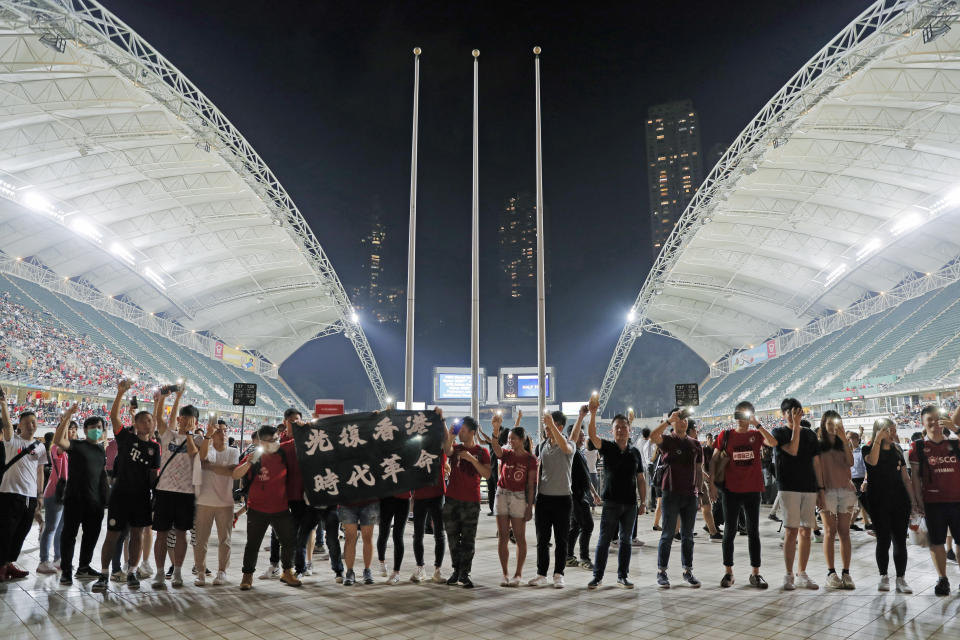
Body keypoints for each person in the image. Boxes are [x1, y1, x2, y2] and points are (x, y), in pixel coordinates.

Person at [709, 400, 776, 589]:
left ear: (750, 416)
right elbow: (714, 459)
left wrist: (757, 424)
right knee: (729, 532)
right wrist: (712, 484)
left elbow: (773, 442)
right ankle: (728, 573)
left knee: (753, 532)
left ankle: (755, 573)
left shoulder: (756, 434)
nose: (739, 418)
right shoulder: (726, 435)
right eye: (737, 414)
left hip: (752, 490)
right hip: (731, 490)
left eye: (744, 415)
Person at [586, 394, 645, 589]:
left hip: (630, 504)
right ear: (612, 431)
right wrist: (593, 414)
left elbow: (641, 478)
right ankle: (597, 576)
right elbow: (593, 437)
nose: (620, 430)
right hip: (611, 502)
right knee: (604, 540)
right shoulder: (608, 447)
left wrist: (643, 501)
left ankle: (623, 576)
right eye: (617, 427)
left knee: (626, 541)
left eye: (624, 427)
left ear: (629, 430)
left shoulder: (635, 452)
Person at [232, 425, 301, 589]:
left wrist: (307, 425)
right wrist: (248, 463)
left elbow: (299, 439)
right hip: (257, 509)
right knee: (253, 545)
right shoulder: (253, 456)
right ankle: (247, 576)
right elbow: (235, 474)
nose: (275, 442)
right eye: (270, 440)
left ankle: (287, 572)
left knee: (289, 542)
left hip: (281, 508)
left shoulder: (283, 451)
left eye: (276, 438)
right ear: (260, 442)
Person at [48, 407, 107, 590]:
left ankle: (83, 567)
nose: (95, 429)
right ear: (85, 429)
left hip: (95, 502)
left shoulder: (101, 450)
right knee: (69, 536)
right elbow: (58, 440)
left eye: (98, 426)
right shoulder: (77, 445)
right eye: (91, 426)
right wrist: (67, 417)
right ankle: (66, 571)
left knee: (91, 536)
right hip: (75, 499)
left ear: (103, 430)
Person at [151, 384, 199, 589]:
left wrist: (189, 434)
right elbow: (159, 419)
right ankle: (160, 573)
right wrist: (163, 398)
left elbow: (195, 454)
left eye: (192, 419)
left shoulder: (197, 439)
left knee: (182, 533)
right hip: (164, 491)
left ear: (196, 422)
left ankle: (177, 571)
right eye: (184, 418)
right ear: (178, 419)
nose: (187, 422)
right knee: (161, 533)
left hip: (186, 493)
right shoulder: (168, 435)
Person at [771, 398, 822, 591]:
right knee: (791, 530)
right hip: (788, 486)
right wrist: (796, 427)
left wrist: (821, 488)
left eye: (799, 412)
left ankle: (802, 573)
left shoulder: (810, 435)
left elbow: (817, 462)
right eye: (792, 413)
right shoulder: (779, 432)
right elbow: (792, 450)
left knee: (806, 531)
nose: (795, 416)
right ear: (784, 414)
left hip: (809, 486)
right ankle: (788, 574)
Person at [909, 406, 960, 596]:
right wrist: (917, 500)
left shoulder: (955, 443)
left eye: (937, 418)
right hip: (933, 503)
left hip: (957, 501)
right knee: (937, 542)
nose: (934, 422)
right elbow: (915, 476)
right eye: (929, 419)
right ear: (922, 422)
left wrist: (956, 429)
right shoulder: (918, 447)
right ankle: (943, 579)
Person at [649, 409, 702, 589]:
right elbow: (652, 436)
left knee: (688, 536)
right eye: (679, 419)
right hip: (671, 493)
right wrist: (668, 421)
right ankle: (662, 571)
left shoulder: (695, 444)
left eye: (685, 419)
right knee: (668, 534)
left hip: (690, 495)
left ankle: (688, 571)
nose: (683, 421)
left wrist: (700, 492)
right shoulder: (668, 440)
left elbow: (699, 469)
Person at [864, 417, 916, 593]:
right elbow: (873, 461)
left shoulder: (897, 450)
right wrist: (878, 438)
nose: (895, 433)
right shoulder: (868, 448)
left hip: (899, 500)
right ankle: (883, 576)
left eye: (895, 430)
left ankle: (901, 578)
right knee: (883, 540)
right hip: (879, 501)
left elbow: (906, 479)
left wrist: (914, 501)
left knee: (900, 540)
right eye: (891, 430)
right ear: (881, 431)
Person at [442, 412, 491, 588]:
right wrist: (451, 435)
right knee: (453, 537)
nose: (460, 433)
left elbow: (487, 474)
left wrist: (471, 459)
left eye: (463, 430)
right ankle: (456, 570)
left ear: (472, 432)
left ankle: (465, 573)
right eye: (459, 430)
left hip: (471, 501)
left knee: (468, 539)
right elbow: (446, 450)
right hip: (452, 500)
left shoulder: (481, 452)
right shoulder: (456, 448)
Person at [0, 394, 46, 582]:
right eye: (27, 422)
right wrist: (3, 404)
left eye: (34, 422)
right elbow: (7, 425)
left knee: (21, 532)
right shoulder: (13, 442)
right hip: (10, 494)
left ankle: (9, 562)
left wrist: (40, 495)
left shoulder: (40, 447)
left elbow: (40, 472)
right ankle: (2, 566)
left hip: (30, 497)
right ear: (20, 425)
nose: (31, 425)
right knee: (6, 532)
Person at [489, 416, 537, 587]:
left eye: (513, 439)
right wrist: (495, 430)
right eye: (509, 439)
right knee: (502, 536)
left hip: (518, 497)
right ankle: (505, 573)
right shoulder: (507, 454)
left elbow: (531, 485)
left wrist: (530, 506)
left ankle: (518, 574)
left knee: (519, 537)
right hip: (502, 494)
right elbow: (496, 449)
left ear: (522, 440)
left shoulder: (530, 460)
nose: (510, 441)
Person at [530, 411, 576, 588]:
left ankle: (559, 574)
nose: (545, 428)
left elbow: (566, 448)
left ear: (560, 426)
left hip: (563, 499)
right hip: (543, 499)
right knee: (542, 539)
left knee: (561, 540)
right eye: (545, 425)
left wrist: (551, 425)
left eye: (549, 425)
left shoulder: (569, 444)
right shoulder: (543, 446)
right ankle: (541, 574)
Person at [194, 415, 239, 586]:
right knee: (201, 540)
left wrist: (211, 467)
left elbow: (231, 471)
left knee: (225, 540)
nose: (224, 434)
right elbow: (203, 457)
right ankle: (200, 572)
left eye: (226, 431)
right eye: (219, 432)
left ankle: (222, 571)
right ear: (212, 435)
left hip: (225, 503)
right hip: (204, 501)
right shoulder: (209, 448)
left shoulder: (233, 451)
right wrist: (207, 436)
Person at [816, 411, 856, 589]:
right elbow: (816, 469)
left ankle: (846, 572)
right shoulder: (818, 445)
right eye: (829, 424)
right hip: (827, 491)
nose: (833, 427)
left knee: (845, 532)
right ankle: (831, 572)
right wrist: (820, 491)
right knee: (830, 531)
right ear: (824, 424)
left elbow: (850, 462)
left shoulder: (843, 443)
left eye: (836, 423)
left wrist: (844, 438)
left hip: (845, 491)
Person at [37, 421, 75, 575]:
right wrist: (66, 422)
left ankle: (58, 558)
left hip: (67, 494)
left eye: (74, 429)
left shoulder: (73, 450)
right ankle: (43, 561)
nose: (72, 432)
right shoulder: (56, 449)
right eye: (68, 429)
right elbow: (60, 445)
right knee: (51, 527)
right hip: (54, 493)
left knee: (61, 528)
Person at [567, 411, 601, 570]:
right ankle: (584, 558)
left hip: (583, 494)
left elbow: (586, 476)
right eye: (580, 435)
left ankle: (568, 556)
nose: (583, 437)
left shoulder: (580, 454)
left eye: (583, 435)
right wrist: (580, 417)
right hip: (575, 496)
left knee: (575, 526)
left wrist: (593, 492)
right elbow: (572, 440)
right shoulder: (571, 452)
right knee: (587, 525)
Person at [410, 449, 447, 583]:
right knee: (418, 533)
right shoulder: (416, 446)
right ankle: (420, 567)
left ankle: (437, 570)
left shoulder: (441, 446)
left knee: (439, 532)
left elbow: (448, 435)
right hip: (420, 495)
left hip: (437, 494)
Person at [377, 490, 411, 584]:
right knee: (383, 533)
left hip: (403, 499)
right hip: (386, 497)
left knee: (398, 535)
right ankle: (382, 562)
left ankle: (396, 572)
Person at [849, 431, 869, 531]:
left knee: (862, 503)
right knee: (860, 503)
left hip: (860, 480)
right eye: (848, 439)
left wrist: (865, 480)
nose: (849, 441)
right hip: (850, 480)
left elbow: (866, 468)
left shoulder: (861, 452)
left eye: (852, 438)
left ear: (857, 440)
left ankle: (851, 523)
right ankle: (851, 523)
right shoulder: (846, 452)